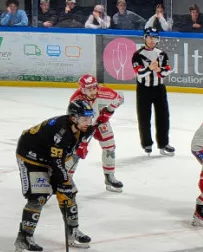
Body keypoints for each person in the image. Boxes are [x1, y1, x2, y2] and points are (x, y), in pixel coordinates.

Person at [13, 100, 95, 252]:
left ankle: (73, 232)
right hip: (31, 156)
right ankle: (23, 240)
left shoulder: (82, 126)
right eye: (84, 119)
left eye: (89, 118)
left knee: (69, 193)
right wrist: (63, 180)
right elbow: (56, 162)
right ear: (73, 118)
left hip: (51, 156)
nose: (88, 122)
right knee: (39, 196)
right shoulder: (61, 132)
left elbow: (94, 129)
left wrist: (107, 114)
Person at [66, 74, 125, 193]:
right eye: (89, 89)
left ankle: (109, 177)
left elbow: (120, 97)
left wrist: (108, 111)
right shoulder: (76, 100)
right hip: (82, 126)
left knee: (110, 146)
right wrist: (82, 141)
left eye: (94, 88)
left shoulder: (104, 92)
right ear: (82, 89)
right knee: (76, 151)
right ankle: (66, 180)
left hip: (99, 122)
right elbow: (71, 120)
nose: (93, 91)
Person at [132, 27, 174, 155]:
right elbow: (138, 73)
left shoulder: (161, 53)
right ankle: (147, 143)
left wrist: (158, 70)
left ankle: (164, 143)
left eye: (154, 38)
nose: (152, 40)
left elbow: (167, 70)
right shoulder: (138, 55)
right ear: (145, 38)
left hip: (159, 89)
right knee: (144, 117)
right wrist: (150, 68)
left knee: (163, 117)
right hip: (143, 90)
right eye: (150, 37)